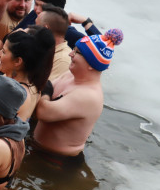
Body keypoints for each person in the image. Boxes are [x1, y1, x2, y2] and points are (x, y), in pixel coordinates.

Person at [33, 29, 122, 158]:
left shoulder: (88, 96)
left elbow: (43, 112)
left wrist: (45, 91)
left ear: (92, 64)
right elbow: (45, 88)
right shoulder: (71, 75)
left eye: (76, 52)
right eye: (73, 49)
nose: (70, 54)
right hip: (39, 147)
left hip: (57, 160)